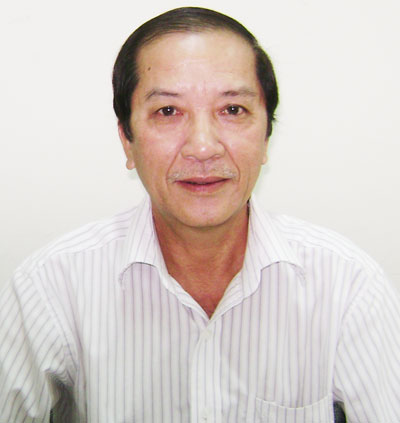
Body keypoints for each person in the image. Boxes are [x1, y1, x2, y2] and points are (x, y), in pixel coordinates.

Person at [0, 7, 399, 423]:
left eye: (233, 110)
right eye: (168, 112)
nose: (203, 147)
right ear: (127, 141)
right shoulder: (49, 288)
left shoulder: (348, 287)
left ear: (266, 137)